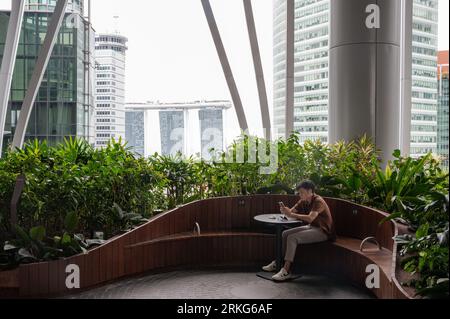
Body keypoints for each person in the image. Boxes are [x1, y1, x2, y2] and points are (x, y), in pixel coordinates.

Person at [262, 180, 336, 281]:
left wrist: (291, 214)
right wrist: (285, 211)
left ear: (310, 191)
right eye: (299, 193)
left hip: (323, 231)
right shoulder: (303, 200)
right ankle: (278, 262)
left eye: (302, 192)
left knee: (293, 238)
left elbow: (310, 218)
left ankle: (286, 271)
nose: (299, 195)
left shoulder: (318, 201)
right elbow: (291, 212)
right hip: (312, 227)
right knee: (285, 233)